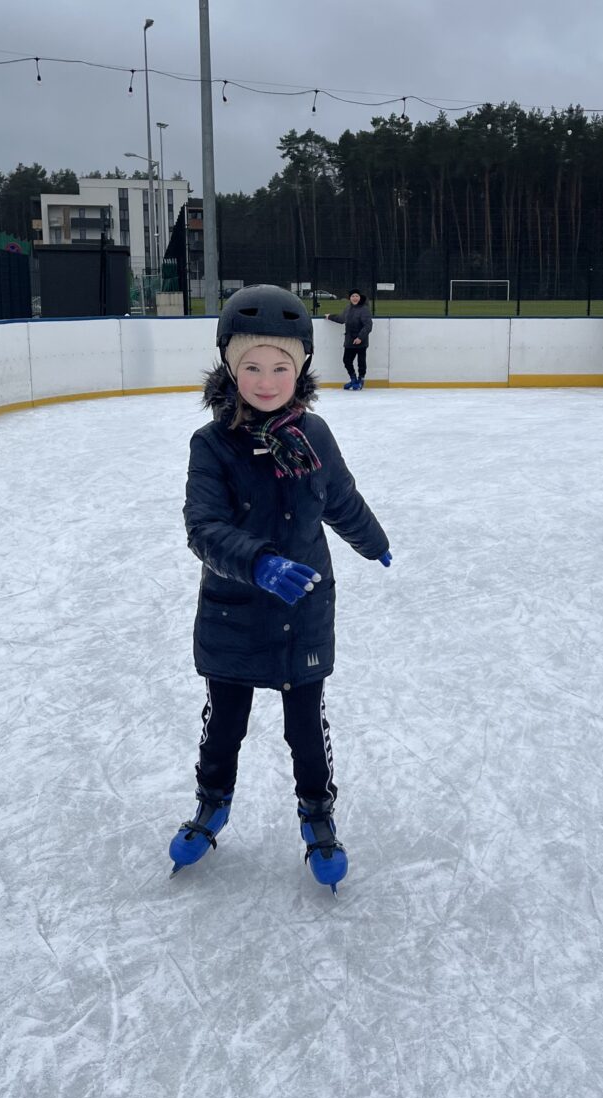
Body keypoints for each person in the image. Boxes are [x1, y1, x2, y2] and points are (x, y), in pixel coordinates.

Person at [171, 284, 392, 890]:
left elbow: (340, 499)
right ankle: (212, 802)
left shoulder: (313, 436)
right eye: (251, 367)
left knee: (305, 726)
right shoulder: (212, 446)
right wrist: (260, 564)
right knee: (225, 723)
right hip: (234, 610)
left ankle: (317, 814)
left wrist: (373, 541)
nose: (266, 381)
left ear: (300, 369)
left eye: (281, 367)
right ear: (229, 367)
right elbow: (203, 527)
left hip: (303, 612)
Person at [325, 287, 373, 390]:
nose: (355, 298)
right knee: (347, 360)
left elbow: (368, 325)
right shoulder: (348, 308)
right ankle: (353, 379)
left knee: (361, 361)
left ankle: (360, 380)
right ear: (349, 298)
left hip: (361, 340)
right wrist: (330, 316)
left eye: (356, 296)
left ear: (360, 297)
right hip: (349, 340)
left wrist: (360, 337)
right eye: (352, 296)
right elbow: (341, 319)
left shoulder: (364, 309)